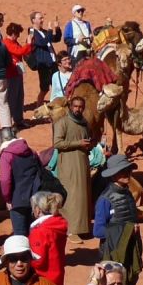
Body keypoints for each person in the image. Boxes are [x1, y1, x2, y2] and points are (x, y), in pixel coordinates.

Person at [94, 154, 143, 285]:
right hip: (112, 253)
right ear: (113, 175)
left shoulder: (128, 194)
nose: (127, 174)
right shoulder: (105, 199)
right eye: (123, 171)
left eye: (128, 170)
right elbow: (97, 231)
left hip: (130, 251)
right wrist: (125, 230)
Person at [52, 92, 94, 239]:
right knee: (72, 196)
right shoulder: (62, 122)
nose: (78, 109)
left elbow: (89, 138)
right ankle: (71, 230)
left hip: (82, 162)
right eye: (75, 106)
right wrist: (78, 143)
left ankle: (83, 227)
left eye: (80, 107)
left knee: (83, 195)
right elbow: (57, 144)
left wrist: (90, 144)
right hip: (69, 164)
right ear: (70, 107)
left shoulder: (84, 123)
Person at [0, 127, 43, 237]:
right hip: (35, 198)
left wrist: (7, 199)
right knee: (34, 234)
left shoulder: (6, 155)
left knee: (20, 237)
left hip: (17, 201)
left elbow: (5, 180)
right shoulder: (30, 151)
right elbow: (40, 170)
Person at [28, 190, 68, 285]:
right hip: (57, 277)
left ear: (37, 210)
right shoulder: (58, 225)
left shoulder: (40, 231)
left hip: (42, 281)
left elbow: (38, 261)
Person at [27, 12, 62, 105]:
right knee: (44, 88)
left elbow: (55, 39)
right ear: (33, 20)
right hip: (43, 64)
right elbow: (42, 42)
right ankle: (38, 107)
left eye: (42, 18)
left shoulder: (44, 31)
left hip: (52, 62)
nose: (42, 20)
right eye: (40, 18)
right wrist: (50, 30)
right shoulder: (31, 31)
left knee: (57, 85)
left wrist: (57, 29)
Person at [2, 22, 32, 128]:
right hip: (10, 75)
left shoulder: (14, 42)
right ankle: (8, 122)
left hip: (17, 73)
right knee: (12, 98)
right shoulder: (6, 42)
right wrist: (28, 44)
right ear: (13, 33)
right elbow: (19, 52)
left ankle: (18, 120)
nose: (18, 36)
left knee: (19, 97)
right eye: (17, 34)